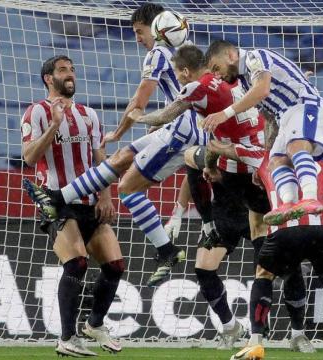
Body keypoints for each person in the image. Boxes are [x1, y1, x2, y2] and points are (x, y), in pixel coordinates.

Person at [138, 44, 313, 352]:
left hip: (256, 191)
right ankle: (230, 327)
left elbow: (167, 116)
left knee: (282, 266)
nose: (219, 75)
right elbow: (199, 157)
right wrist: (208, 166)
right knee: (204, 266)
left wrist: (136, 116)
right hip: (228, 196)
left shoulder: (217, 89)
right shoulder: (228, 89)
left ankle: (297, 333)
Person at [23, 3, 206, 287]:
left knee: (127, 188)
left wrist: (119, 131)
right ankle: (57, 199)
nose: (137, 38)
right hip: (186, 127)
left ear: (156, 27)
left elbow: (138, 102)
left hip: (185, 130)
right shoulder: (188, 50)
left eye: (139, 31)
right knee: (121, 158)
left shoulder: (157, 53)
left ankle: (166, 250)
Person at [230, 139, 323, 360]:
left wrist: (211, 163)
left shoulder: (264, 157)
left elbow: (222, 148)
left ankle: (256, 342)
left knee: (263, 275)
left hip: (285, 230)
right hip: (322, 229)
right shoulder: (319, 162)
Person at [21, 55, 124, 356]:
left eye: (72, 70)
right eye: (63, 70)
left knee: (115, 266)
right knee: (77, 263)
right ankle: (66, 338)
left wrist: (106, 195)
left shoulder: (88, 114)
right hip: (57, 200)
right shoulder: (36, 112)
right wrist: (54, 126)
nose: (70, 75)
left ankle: (94, 324)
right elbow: (28, 157)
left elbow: (99, 159)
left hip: (90, 200)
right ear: (48, 78)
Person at [201, 39, 323, 226]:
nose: (216, 76)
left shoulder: (254, 57)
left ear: (231, 55)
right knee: (276, 161)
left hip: (306, 106)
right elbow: (269, 118)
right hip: (285, 117)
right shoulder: (246, 83)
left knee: (296, 147)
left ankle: (311, 198)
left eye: (216, 68)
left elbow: (262, 89)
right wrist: (264, 159)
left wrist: (225, 114)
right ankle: (288, 204)